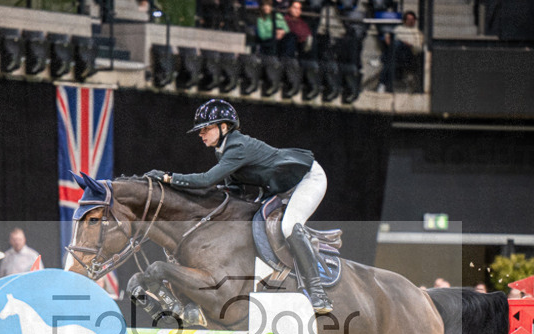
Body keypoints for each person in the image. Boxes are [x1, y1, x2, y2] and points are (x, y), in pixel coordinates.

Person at [146, 99, 332, 313]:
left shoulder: (237, 146)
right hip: (280, 188)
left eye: (206, 128)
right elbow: (233, 192)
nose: (201, 134)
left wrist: (168, 178)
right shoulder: (224, 150)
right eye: (200, 130)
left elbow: (206, 179)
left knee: (289, 226)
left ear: (224, 127)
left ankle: (318, 293)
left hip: (307, 179)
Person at [377, 10, 424, 93]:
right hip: (396, 54)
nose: (410, 21)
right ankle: (382, 83)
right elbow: (387, 36)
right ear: (405, 20)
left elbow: (419, 48)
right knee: (394, 49)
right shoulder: (399, 29)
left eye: (412, 19)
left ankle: (381, 62)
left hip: (408, 55)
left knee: (397, 44)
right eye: (408, 19)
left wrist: (409, 45)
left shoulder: (417, 33)